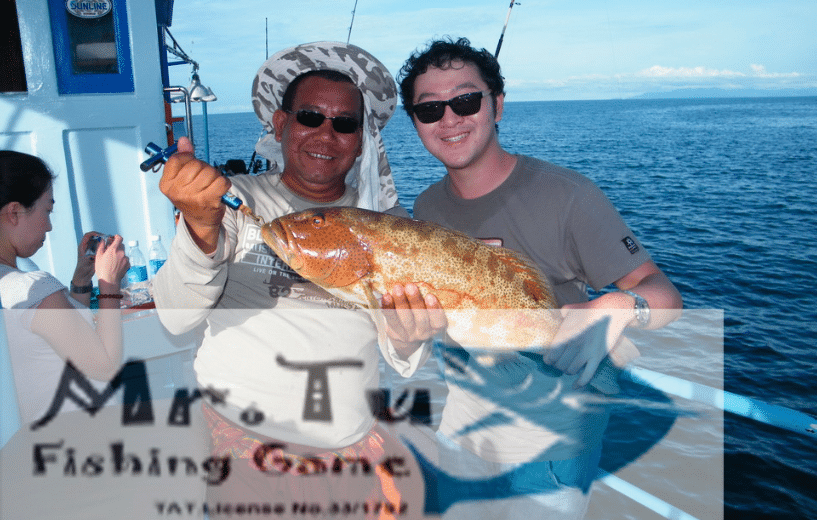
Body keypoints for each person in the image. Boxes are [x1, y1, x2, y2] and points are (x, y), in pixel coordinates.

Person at [152, 42, 444, 518]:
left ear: (361, 140)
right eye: (311, 117)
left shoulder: (384, 225)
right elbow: (176, 316)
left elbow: (402, 352)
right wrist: (200, 229)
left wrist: (409, 339)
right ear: (281, 124)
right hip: (250, 458)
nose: (326, 135)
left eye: (345, 123)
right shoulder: (230, 201)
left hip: (351, 451)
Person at [396, 37, 684, 518]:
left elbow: (665, 296)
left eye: (466, 100)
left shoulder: (569, 195)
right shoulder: (426, 208)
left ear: (497, 106)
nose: (449, 118)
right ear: (416, 123)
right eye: (430, 110)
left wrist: (617, 308)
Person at [0, 150, 130, 424]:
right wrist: (109, 284)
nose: (49, 226)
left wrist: (82, 280)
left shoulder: (15, 287)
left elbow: (57, 340)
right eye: (47, 210)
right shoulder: (33, 286)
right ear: (14, 212)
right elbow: (103, 366)